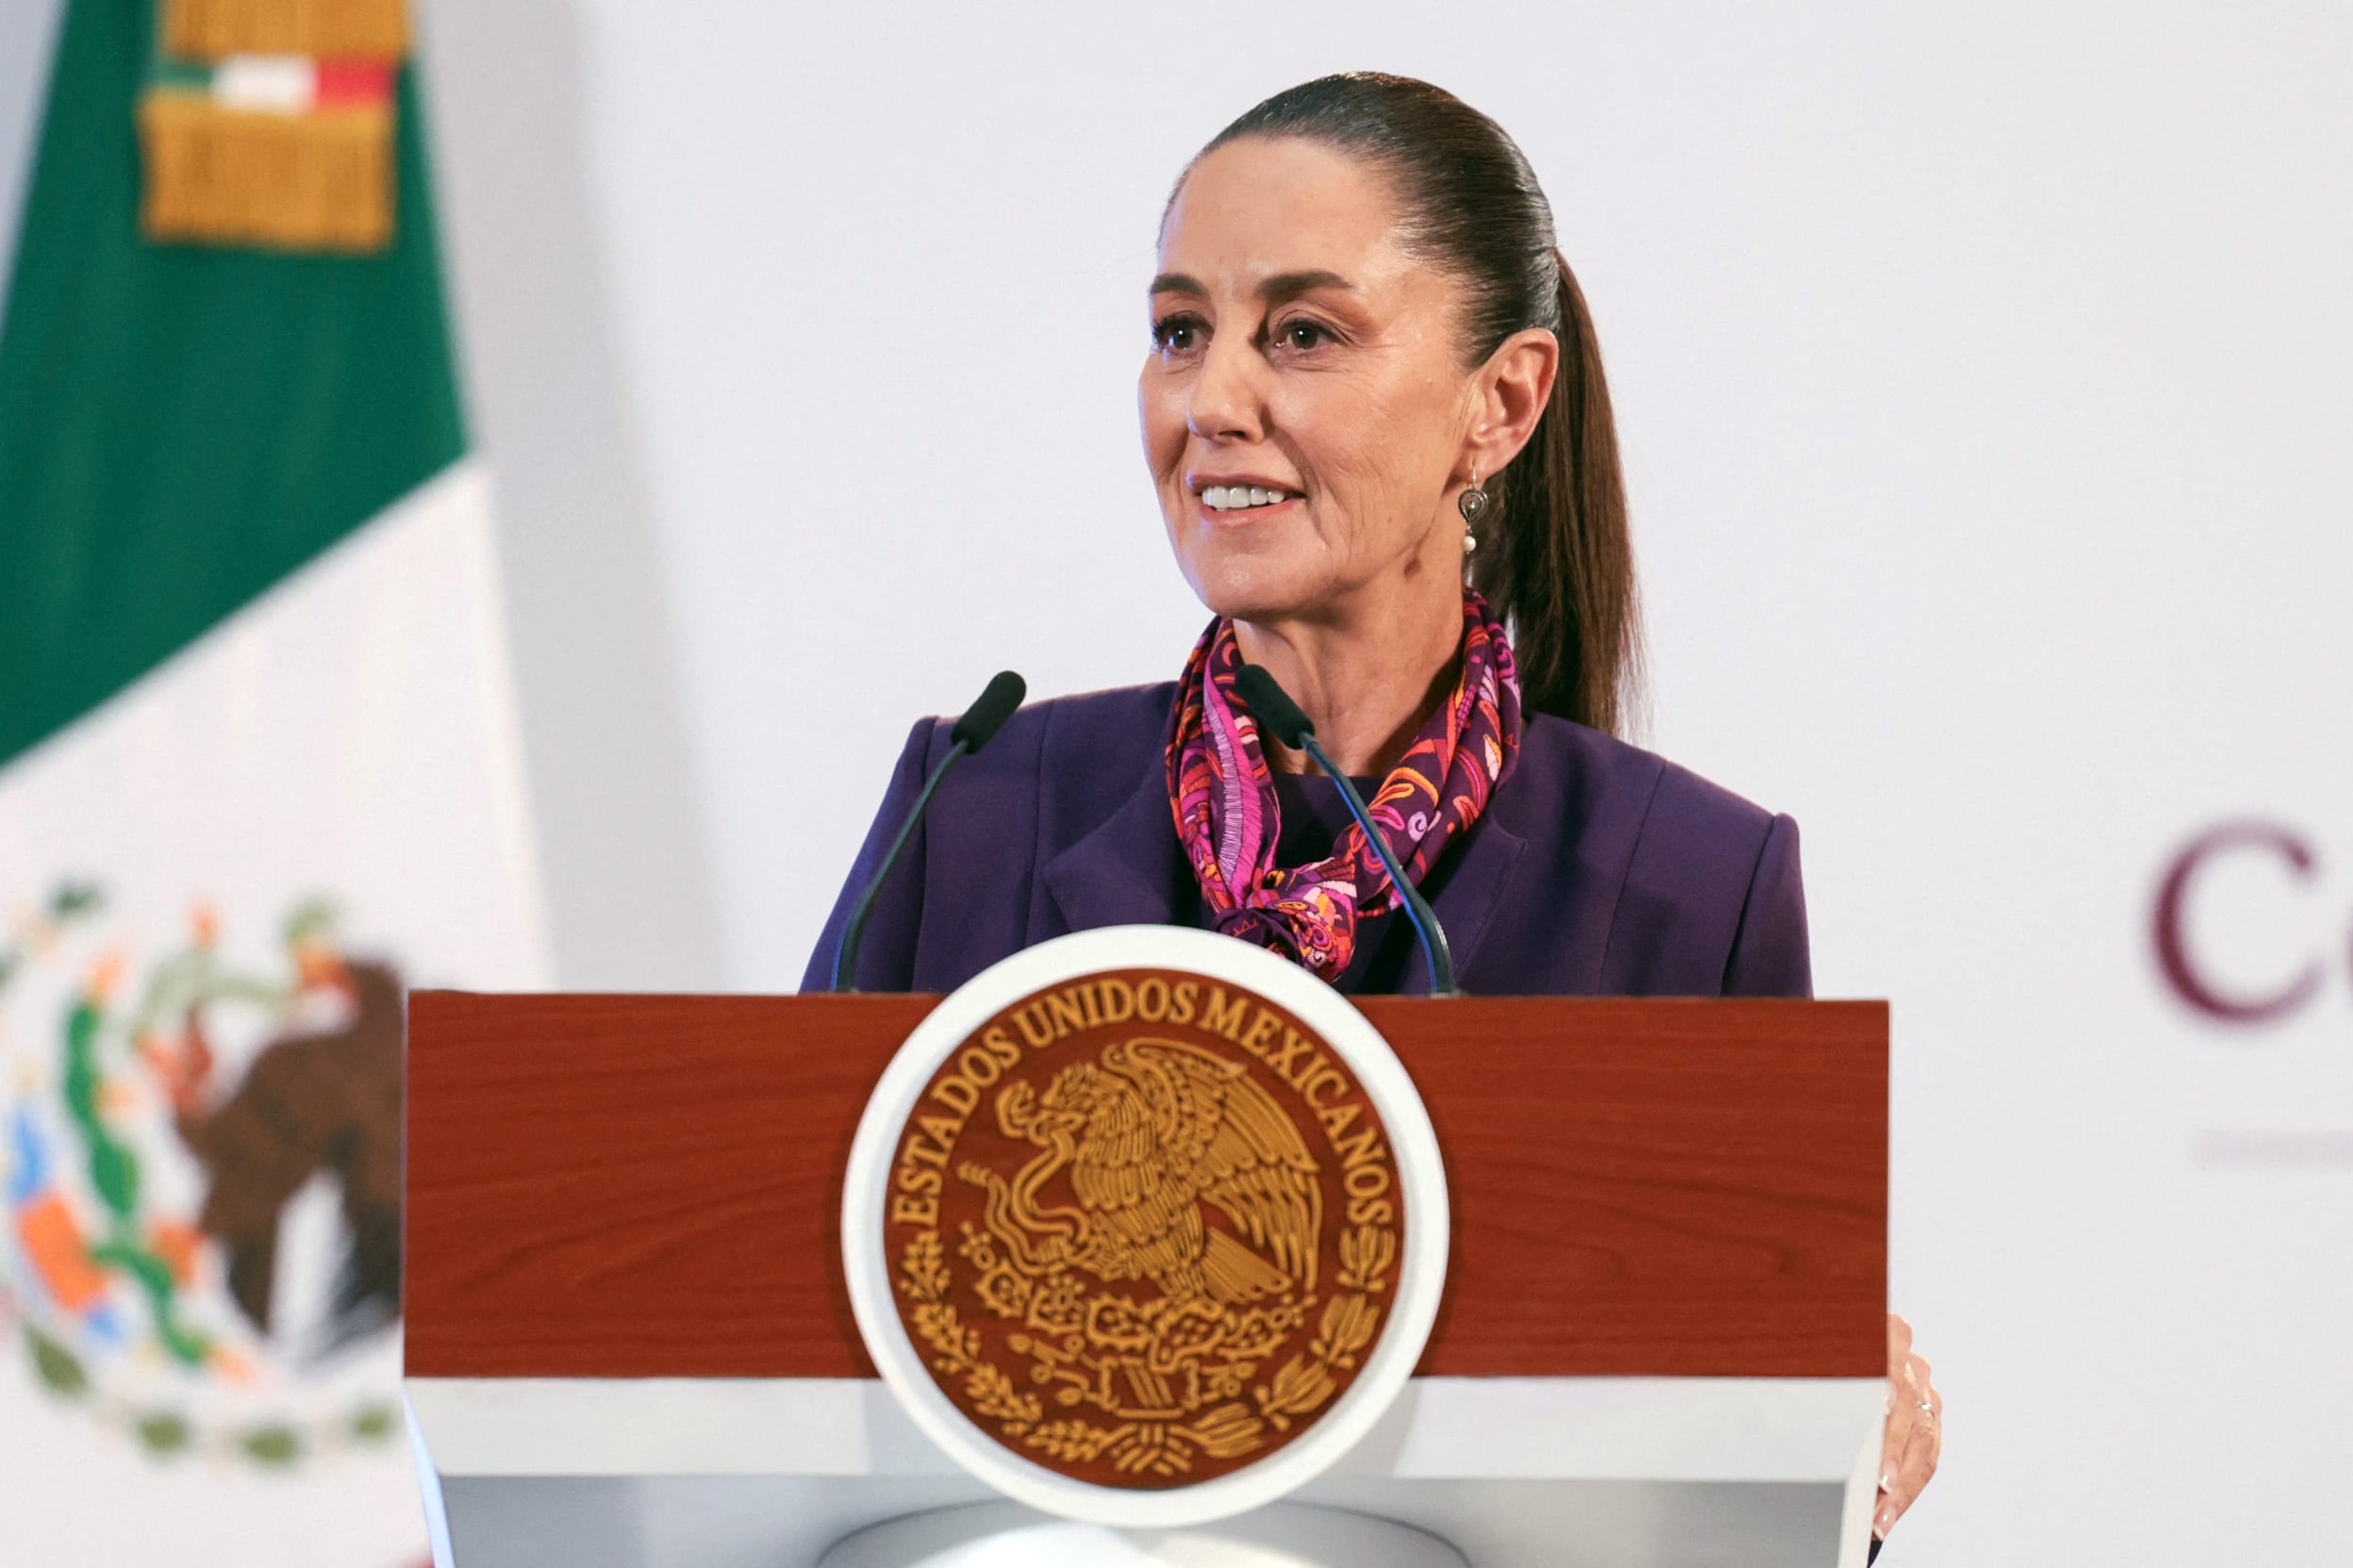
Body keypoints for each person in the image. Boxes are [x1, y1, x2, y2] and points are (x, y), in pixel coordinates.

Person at [802, 72, 1939, 1545]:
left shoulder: (1692, 886)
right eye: (1179, 333)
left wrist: (1833, 1456)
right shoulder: (972, 805)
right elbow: (773, 1326)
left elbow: (1724, 1471)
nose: (1211, 402)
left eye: (1304, 335)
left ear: (1502, 402)